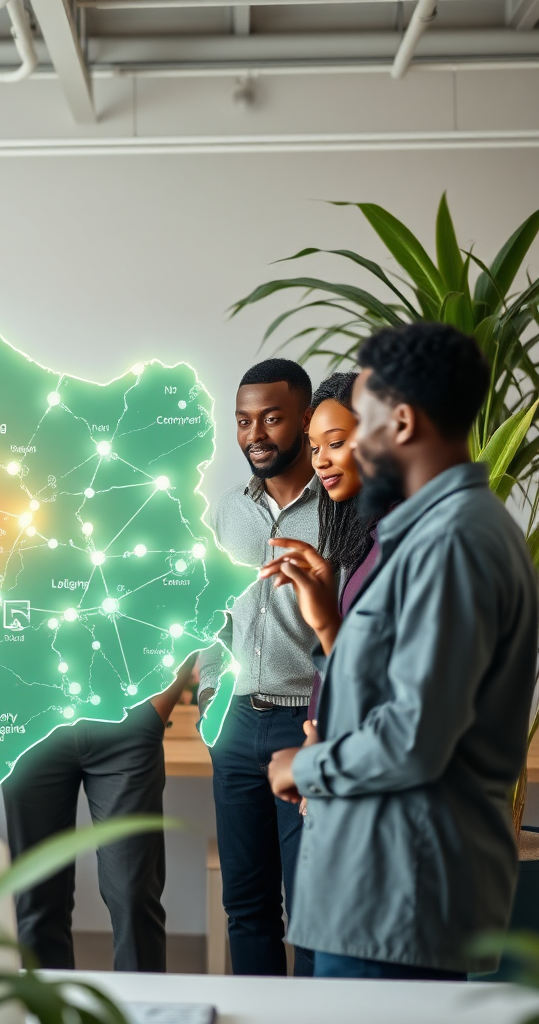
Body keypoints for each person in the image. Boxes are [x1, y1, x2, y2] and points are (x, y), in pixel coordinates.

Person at [268, 323, 539, 980]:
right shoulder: (424, 536)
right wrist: (331, 628)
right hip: (376, 892)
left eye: (359, 422)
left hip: (393, 902)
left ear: (404, 421)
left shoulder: (453, 543)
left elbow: (416, 735)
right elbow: (394, 691)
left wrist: (305, 768)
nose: (347, 444)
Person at [198, 357, 319, 977]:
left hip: (307, 727)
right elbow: (209, 612)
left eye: (272, 418)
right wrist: (211, 689)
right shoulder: (228, 511)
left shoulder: (340, 510)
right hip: (237, 723)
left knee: (313, 909)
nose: (255, 434)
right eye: (243, 421)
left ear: (304, 417)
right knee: (246, 908)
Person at [0, 652, 196, 973]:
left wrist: (155, 709)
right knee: (36, 900)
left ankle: (143, 1013)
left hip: (125, 725)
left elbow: (190, 615)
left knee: (133, 895)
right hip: (32, 727)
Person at [259, 371, 383, 726]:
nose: (319, 460)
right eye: (314, 447)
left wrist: (326, 620)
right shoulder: (362, 541)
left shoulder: (403, 547)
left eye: (336, 442)